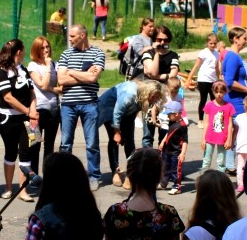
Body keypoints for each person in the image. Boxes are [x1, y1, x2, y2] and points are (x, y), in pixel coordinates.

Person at [0, 39, 41, 202]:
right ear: (18, 52)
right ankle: (8, 188)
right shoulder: (1, 71)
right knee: (11, 151)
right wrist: (28, 111)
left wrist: (33, 110)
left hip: (28, 119)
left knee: (27, 152)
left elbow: (32, 92)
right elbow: (8, 97)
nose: (25, 53)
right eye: (23, 50)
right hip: (8, 118)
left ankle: (22, 190)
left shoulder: (23, 69)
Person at [57, 24, 104, 189]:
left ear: (82, 36)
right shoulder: (66, 54)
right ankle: (65, 176)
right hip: (68, 104)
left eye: (72, 37)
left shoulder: (97, 53)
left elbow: (93, 78)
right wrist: (84, 75)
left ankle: (93, 176)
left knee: (92, 143)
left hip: (89, 103)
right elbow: (61, 80)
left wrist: (70, 72)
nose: (69, 40)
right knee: (65, 144)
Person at [97, 78, 163, 188]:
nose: (155, 99)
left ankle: (131, 172)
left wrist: (127, 127)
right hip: (110, 106)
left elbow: (135, 109)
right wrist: (117, 133)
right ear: (148, 92)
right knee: (114, 140)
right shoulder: (130, 95)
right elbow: (117, 114)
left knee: (129, 141)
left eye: (157, 97)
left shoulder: (144, 97)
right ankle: (115, 171)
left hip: (127, 110)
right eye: (154, 97)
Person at [26, 36, 61, 172]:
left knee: (50, 145)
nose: (46, 50)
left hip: (53, 108)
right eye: (42, 48)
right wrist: (47, 67)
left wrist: (50, 88)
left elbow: (61, 88)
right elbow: (42, 84)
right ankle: (34, 176)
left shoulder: (55, 64)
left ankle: (48, 174)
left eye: (47, 47)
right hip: (37, 110)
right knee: (34, 144)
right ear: (36, 50)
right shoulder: (32, 65)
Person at [222, 27, 247, 173]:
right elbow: (229, 82)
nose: (246, 41)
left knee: (237, 131)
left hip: (240, 100)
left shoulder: (235, 56)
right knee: (236, 132)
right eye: (244, 38)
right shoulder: (233, 57)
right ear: (235, 39)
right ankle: (230, 165)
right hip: (236, 101)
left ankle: (231, 164)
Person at [201, 81, 234, 173]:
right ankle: (204, 180)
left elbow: (230, 124)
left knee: (221, 162)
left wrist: (229, 139)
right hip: (209, 137)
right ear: (213, 92)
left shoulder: (229, 106)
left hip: (222, 138)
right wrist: (203, 139)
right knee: (206, 160)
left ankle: (221, 181)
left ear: (225, 92)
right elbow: (206, 122)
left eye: (221, 92)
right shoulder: (209, 105)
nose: (219, 94)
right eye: (216, 92)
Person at [186, 33, 219, 122]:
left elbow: (216, 68)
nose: (212, 45)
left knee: (214, 100)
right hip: (203, 79)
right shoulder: (203, 53)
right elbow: (196, 66)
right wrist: (188, 80)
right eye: (210, 43)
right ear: (207, 43)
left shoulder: (216, 53)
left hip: (213, 79)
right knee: (203, 99)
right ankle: (201, 120)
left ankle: (214, 119)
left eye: (214, 43)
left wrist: (219, 79)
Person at [158, 100, 188, 195]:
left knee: (175, 170)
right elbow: (169, 133)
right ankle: (163, 183)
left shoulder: (182, 126)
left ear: (176, 114)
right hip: (167, 150)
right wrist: (163, 141)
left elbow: (185, 141)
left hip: (176, 152)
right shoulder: (172, 121)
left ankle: (176, 186)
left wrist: (183, 153)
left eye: (169, 114)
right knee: (165, 167)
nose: (167, 116)